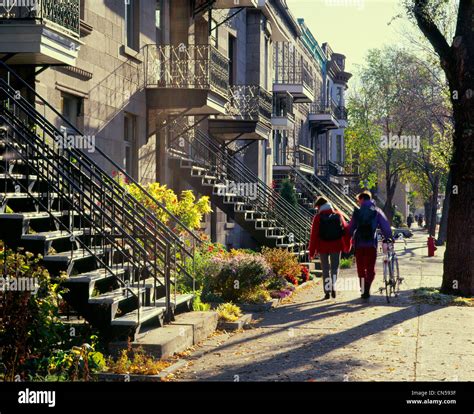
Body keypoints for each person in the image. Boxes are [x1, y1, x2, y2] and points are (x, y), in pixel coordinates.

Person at [348, 191, 392, 299]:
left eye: (358, 200)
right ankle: (367, 287)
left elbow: (351, 227)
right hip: (371, 244)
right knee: (370, 268)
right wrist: (388, 237)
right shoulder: (376, 211)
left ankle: (363, 288)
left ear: (361, 199)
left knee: (361, 268)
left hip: (359, 244)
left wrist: (347, 238)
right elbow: (385, 226)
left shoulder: (357, 211)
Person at [309, 196, 351, 300]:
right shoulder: (338, 215)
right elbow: (345, 230)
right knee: (335, 268)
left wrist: (312, 251)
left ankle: (327, 292)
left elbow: (313, 235)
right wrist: (347, 245)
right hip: (336, 245)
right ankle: (332, 285)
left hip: (322, 246)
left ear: (319, 206)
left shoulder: (318, 217)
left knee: (325, 269)